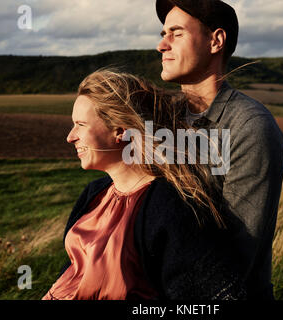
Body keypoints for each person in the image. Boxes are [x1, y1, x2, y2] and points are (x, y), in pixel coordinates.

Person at [42, 69, 255, 300]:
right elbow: (71, 275)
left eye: (81, 125)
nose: (70, 137)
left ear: (120, 131)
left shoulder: (169, 206)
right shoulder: (95, 193)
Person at [155, 0, 283, 299]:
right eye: (163, 33)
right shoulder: (160, 120)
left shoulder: (250, 127)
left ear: (215, 41)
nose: (161, 45)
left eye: (176, 33)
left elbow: (238, 251)